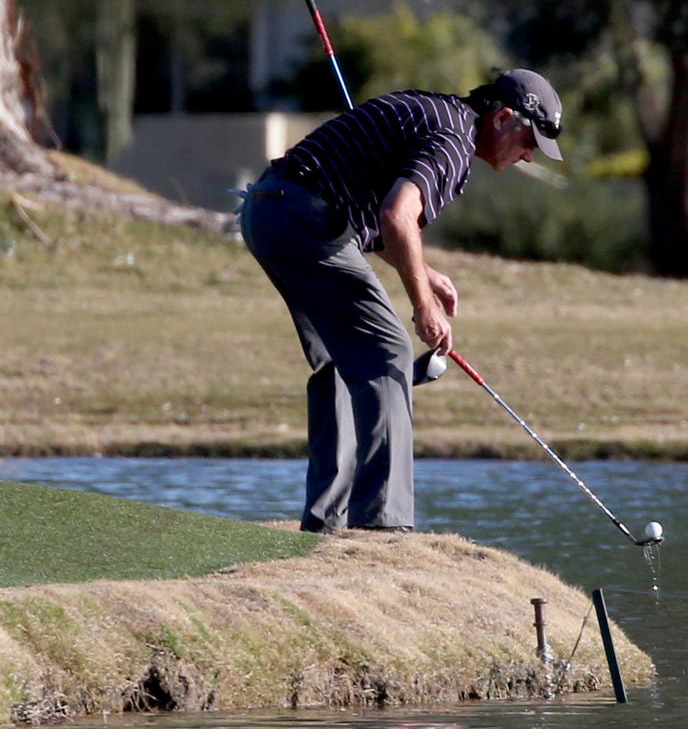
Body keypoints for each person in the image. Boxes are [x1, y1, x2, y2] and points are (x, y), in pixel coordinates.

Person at [239, 69, 563, 534]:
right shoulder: (453, 140)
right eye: (529, 140)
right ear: (504, 118)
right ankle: (383, 526)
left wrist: (425, 274)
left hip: (269, 209)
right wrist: (423, 306)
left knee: (342, 359)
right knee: (388, 351)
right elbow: (397, 216)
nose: (530, 155)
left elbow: (379, 219)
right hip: (305, 219)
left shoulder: (437, 113)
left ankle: (326, 521)